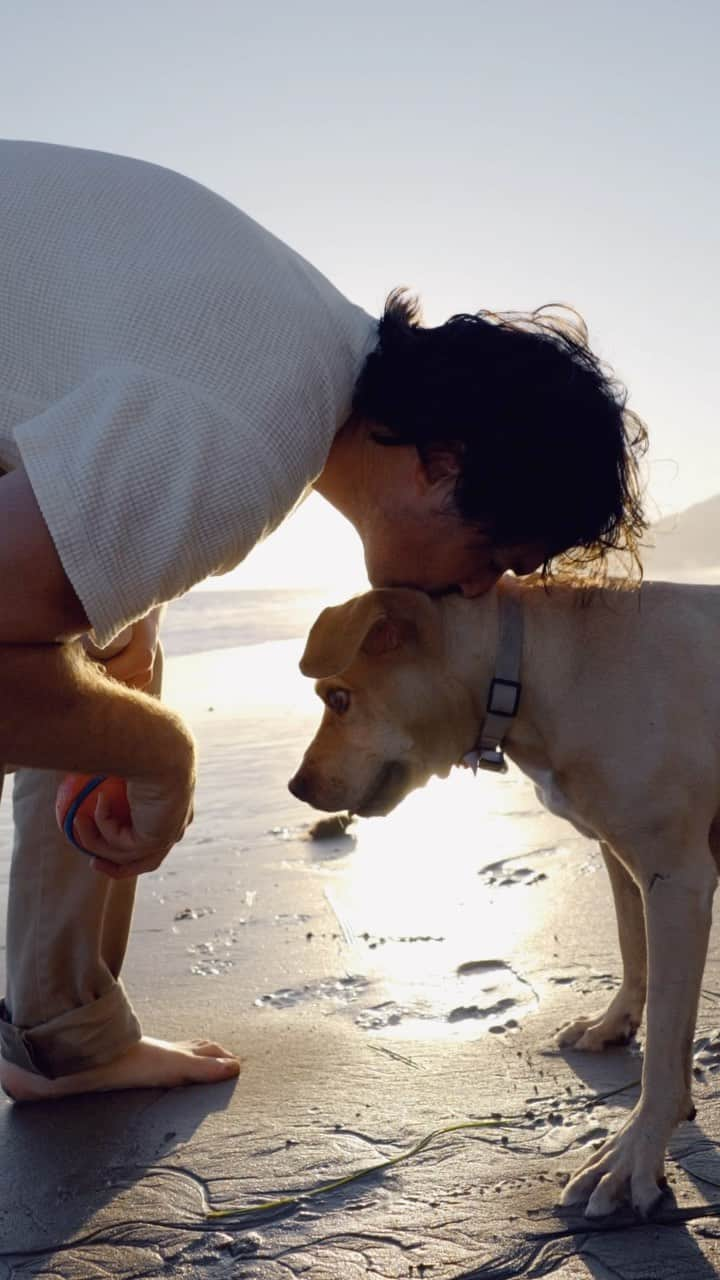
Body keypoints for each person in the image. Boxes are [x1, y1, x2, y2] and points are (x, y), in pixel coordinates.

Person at [0, 140, 647, 1102]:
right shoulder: (245, 429)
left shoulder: (301, 338)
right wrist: (163, 761)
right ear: (441, 463)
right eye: (497, 556)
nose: (480, 590)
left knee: (115, 645)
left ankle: (64, 1038)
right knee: (118, 704)